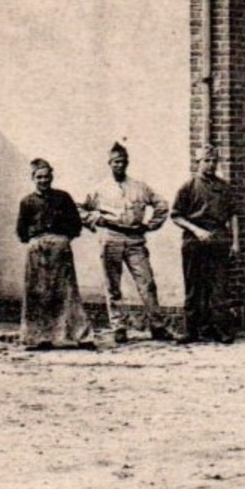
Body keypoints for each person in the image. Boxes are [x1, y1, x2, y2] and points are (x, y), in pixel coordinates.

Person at [81, 142, 171, 343]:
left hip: (134, 239)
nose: (119, 166)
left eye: (122, 162)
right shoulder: (99, 188)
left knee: (146, 282)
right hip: (111, 237)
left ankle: (157, 325)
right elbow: (80, 209)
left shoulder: (139, 187)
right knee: (113, 285)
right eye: (115, 162)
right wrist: (95, 221)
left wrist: (149, 225)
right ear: (109, 164)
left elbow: (162, 205)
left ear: (127, 163)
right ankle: (118, 326)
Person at [15, 158, 91, 349]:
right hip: (37, 248)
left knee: (66, 291)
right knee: (37, 292)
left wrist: (62, 240)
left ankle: (75, 335)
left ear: (52, 177)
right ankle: (37, 338)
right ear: (33, 178)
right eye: (39, 177)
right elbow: (21, 230)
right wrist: (36, 242)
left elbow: (76, 225)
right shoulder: (27, 202)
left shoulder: (63, 198)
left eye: (47, 176)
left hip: (60, 247)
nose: (43, 180)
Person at [170, 143, 240, 344]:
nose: (210, 165)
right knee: (194, 287)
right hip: (194, 241)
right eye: (206, 161)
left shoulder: (224, 187)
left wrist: (235, 242)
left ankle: (221, 330)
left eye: (213, 161)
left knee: (219, 287)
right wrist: (196, 230)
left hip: (219, 239)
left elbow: (233, 214)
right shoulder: (188, 187)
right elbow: (176, 216)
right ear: (198, 162)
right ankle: (191, 330)